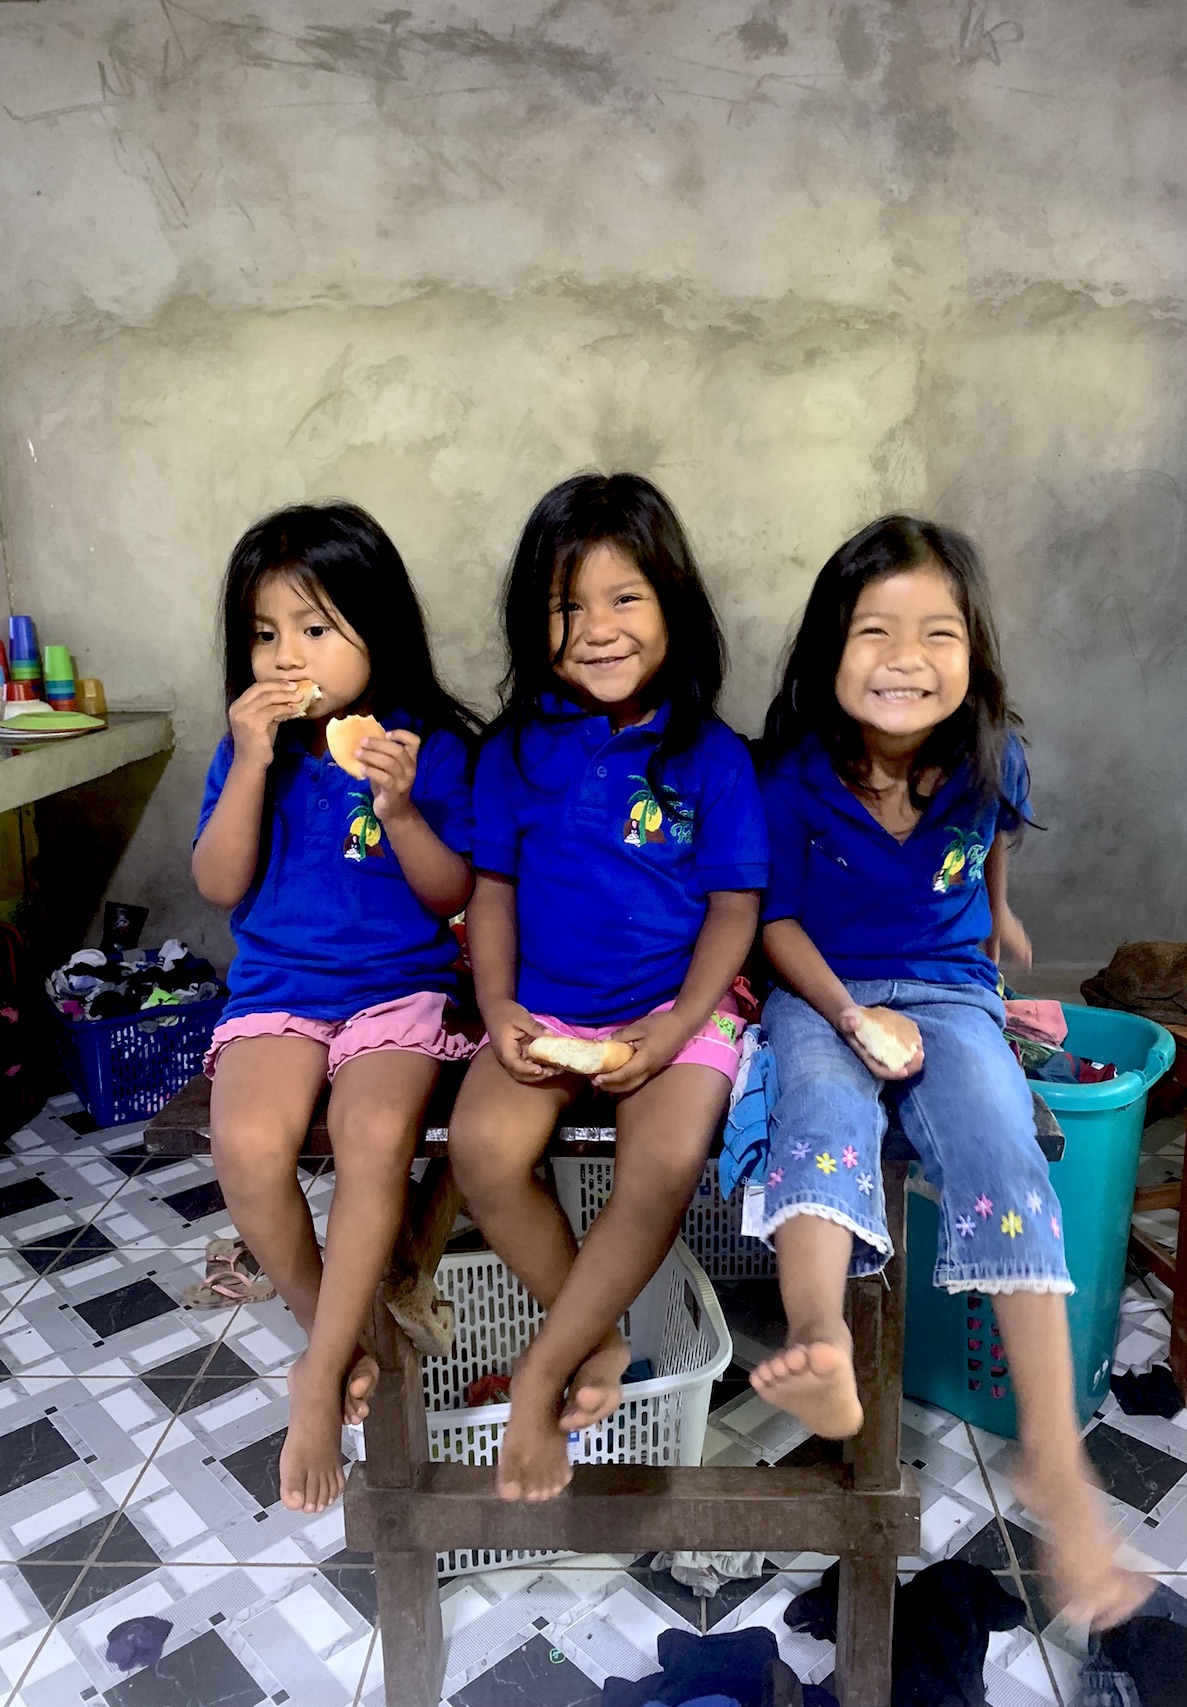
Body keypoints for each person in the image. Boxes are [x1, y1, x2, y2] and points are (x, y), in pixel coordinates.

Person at [750, 515, 1147, 1629]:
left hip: (951, 990)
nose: (904, 657)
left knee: (999, 1144)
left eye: (936, 632)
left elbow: (997, 838)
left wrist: (1001, 914)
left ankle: (1053, 1460)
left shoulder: (992, 753)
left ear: (971, 654)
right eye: (873, 631)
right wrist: (844, 1012)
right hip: (821, 986)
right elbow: (770, 923)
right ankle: (820, 1335)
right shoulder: (785, 779)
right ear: (829, 652)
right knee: (818, 1115)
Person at [449, 472, 767, 1502]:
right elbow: (490, 891)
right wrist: (498, 1008)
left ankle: (547, 1362)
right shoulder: (511, 754)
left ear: (673, 604)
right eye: (564, 604)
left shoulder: (713, 759)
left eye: (623, 597)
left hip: (683, 1008)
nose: (595, 627)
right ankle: (597, 1340)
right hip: (545, 1008)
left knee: (664, 1157)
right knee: (482, 1152)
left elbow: (732, 908)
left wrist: (678, 1026)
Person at [193, 501, 478, 1515]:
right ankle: (336, 1346)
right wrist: (253, 762)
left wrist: (398, 808)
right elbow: (221, 885)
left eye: (314, 629)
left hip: (400, 991)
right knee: (249, 1146)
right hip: (278, 990)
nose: (285, 656)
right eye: (264, 634)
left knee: (370, 1132)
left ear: (377, 629)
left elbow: (452, 895)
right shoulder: (252, 756)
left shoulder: (428, 748)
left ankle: (313, 1381)